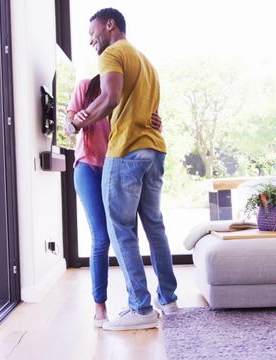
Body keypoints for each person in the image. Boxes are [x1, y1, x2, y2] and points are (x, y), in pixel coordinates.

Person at [67, 7, 178, 331]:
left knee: (121, 230)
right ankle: (168, 300)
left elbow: (111, 97)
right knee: (154, 226)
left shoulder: (113, 53)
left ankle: (140, 308)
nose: (91, 41)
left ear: (109, 25)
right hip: (154, 151)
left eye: (92, 33)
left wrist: (81, 117)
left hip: (127, 151)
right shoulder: (146, 62)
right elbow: (148, 110)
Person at [66, 75, 162, 328]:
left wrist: (156, 125)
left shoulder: (129, 92)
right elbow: (69, 125)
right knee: (101, 237)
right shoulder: (87, 87)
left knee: (124, 233)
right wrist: (75, 122)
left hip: (119, 167)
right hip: (88, 167)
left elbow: (145, 129)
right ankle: (100, 306)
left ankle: (137, 303)